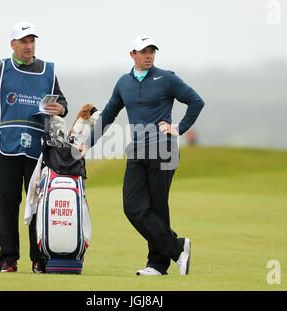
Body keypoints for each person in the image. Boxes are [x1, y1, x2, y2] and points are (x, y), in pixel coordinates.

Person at [79, 35, 204, 276]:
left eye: (152, 51)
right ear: (132, 55)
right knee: (133, 207)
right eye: (143, 51)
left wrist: (179, 128)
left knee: (157, 207)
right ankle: (177, 247)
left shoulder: (166, 78)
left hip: (163, 148)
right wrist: (88, 144)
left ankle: (157, 265)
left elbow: (196, 101)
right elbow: (108, 115)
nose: (149, 55)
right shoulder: (124, 82)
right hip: (136, 150)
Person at [0, 22, 68, 273]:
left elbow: (62, 102)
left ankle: (39, 258)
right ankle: (8, 258)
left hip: (38, 150)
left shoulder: (48, 71)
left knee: (38, 205)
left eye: (32, 41)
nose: (29, 46)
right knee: (7, 203)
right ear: (13, 45)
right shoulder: (0, 71)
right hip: (4, 148)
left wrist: (60, 108)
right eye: (24, 42)